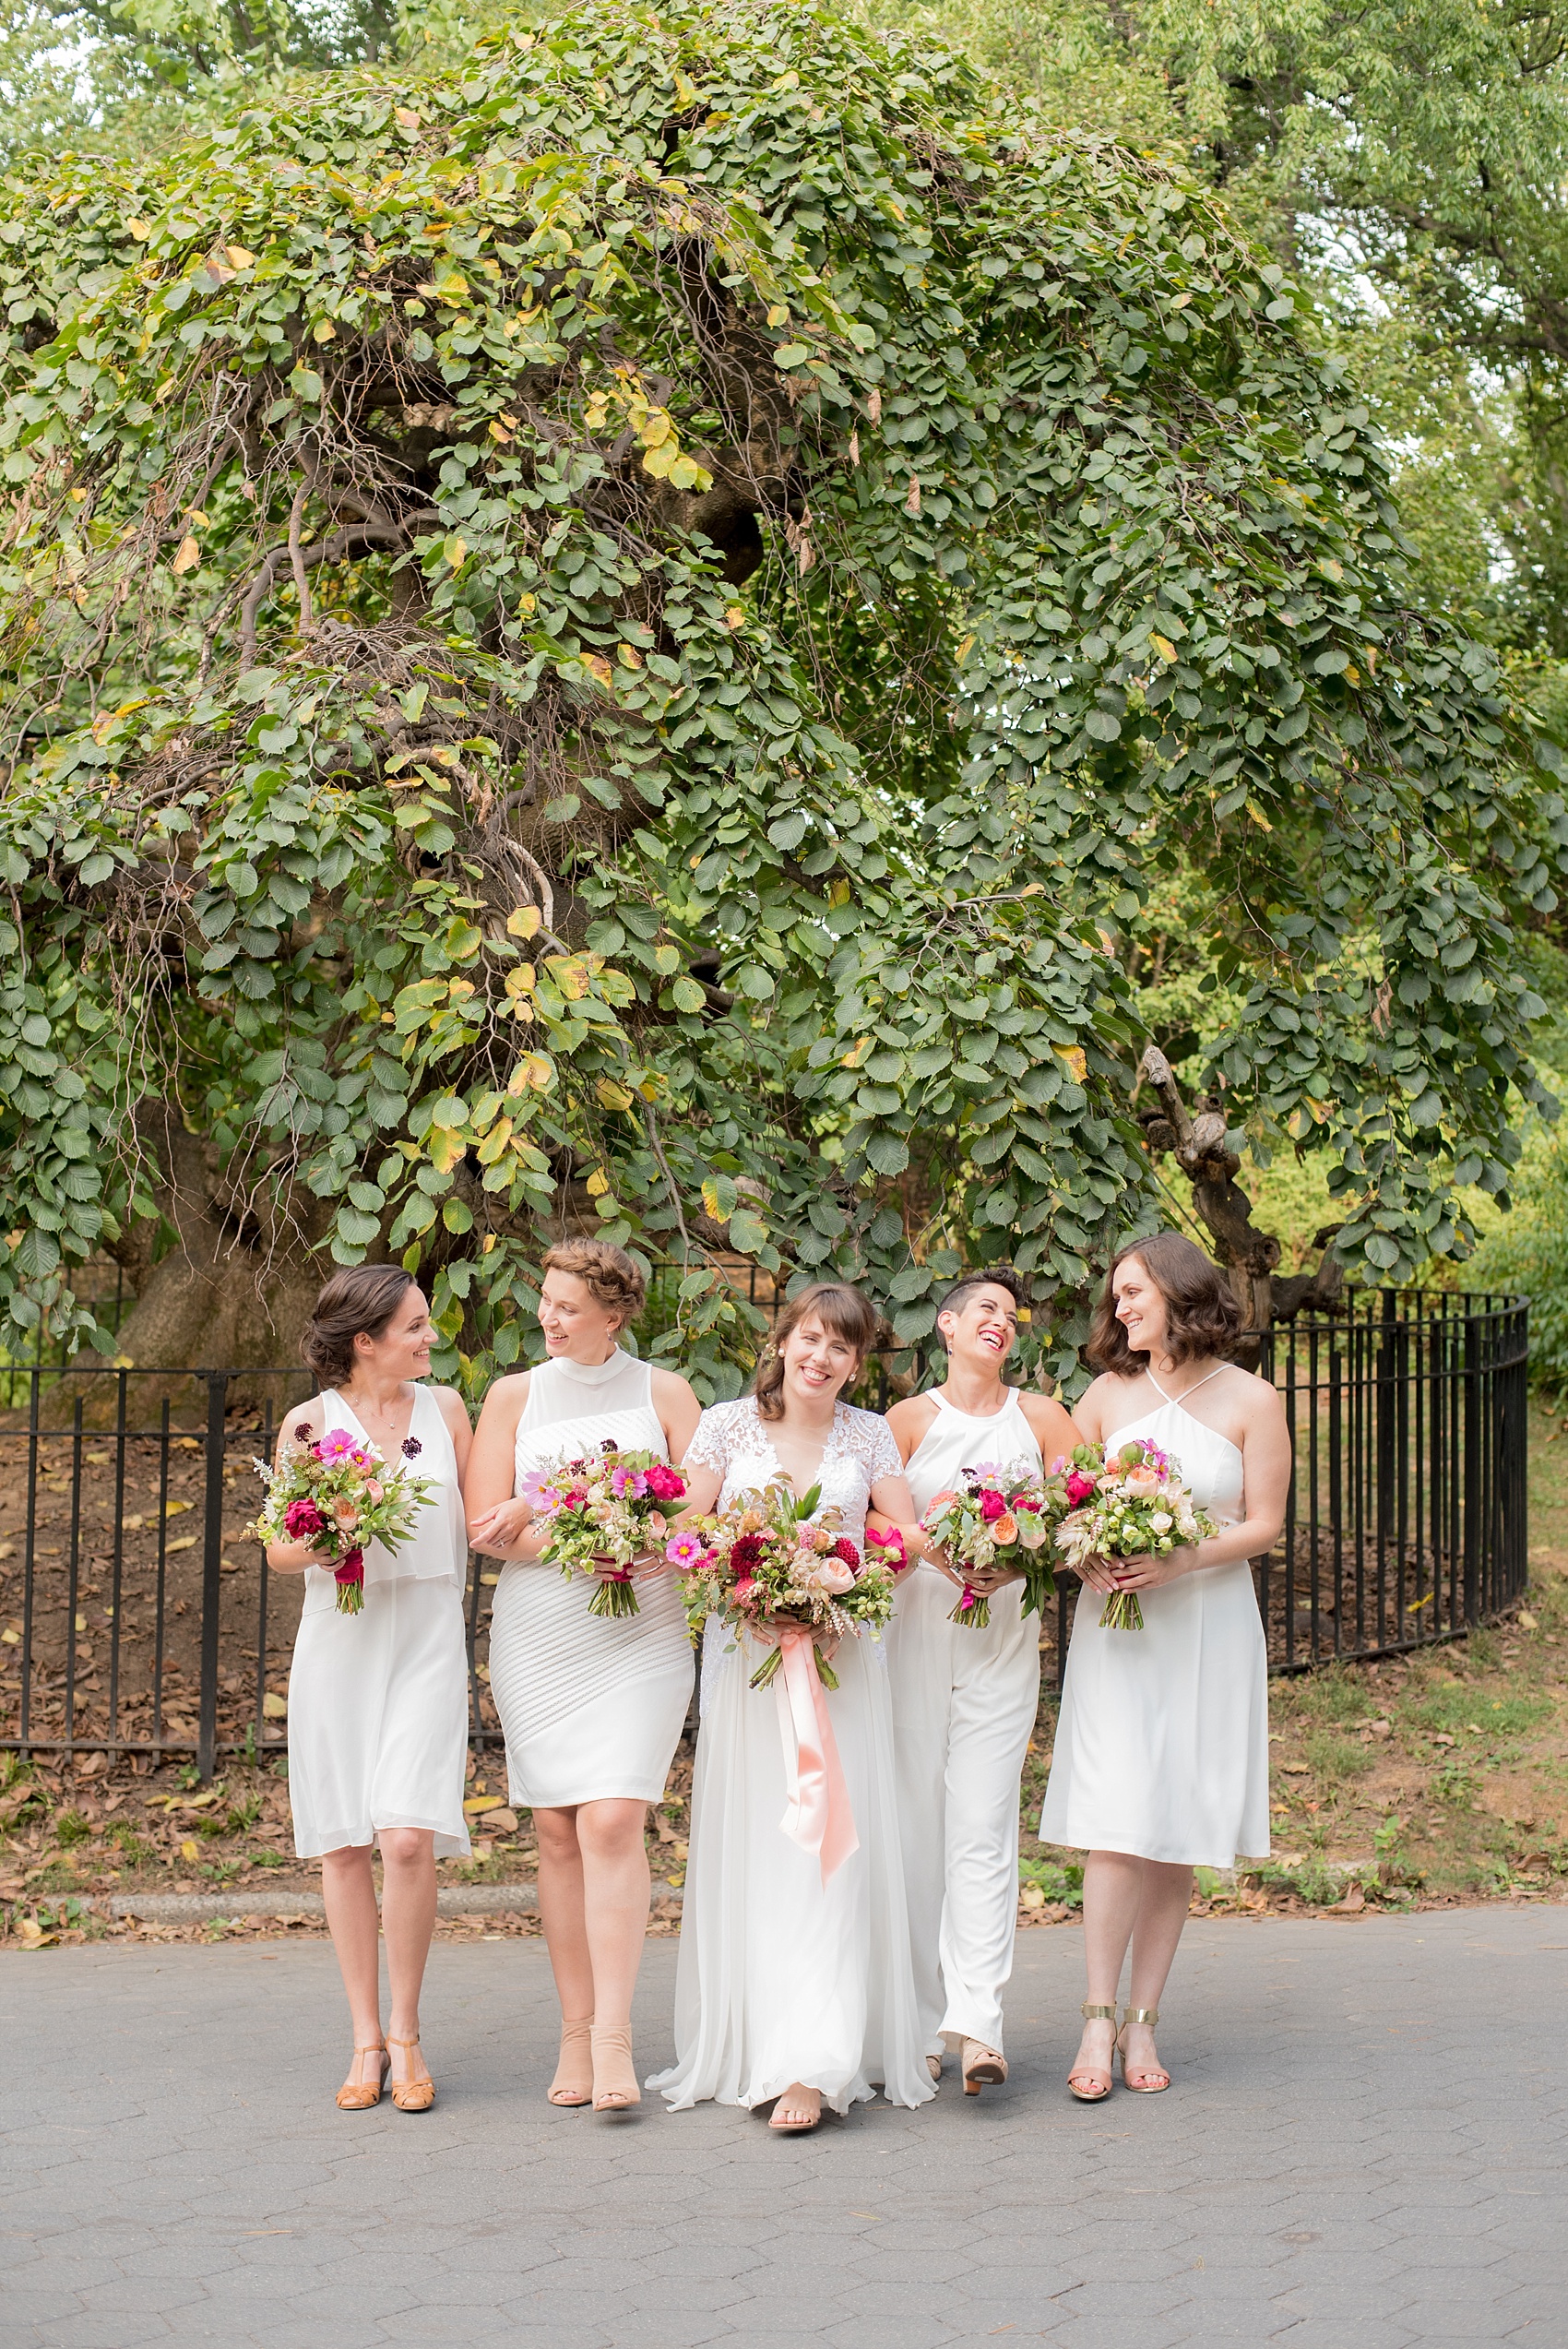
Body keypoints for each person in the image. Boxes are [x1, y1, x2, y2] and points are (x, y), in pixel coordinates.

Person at [649, 1281, 933, 2134]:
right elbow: (687, 1533)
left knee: (827, 1852)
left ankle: (815, 2060)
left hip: (842, 1662)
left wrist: (845, 1595)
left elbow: (905, 1540)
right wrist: (748, 1595)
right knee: (762, 1846)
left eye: (841, 1348)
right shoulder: (728, 1425)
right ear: (782, 1342)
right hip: (750, 1660)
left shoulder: (871, 1434)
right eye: (811, 1339)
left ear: (856, 1362)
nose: (822, 1359)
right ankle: (757, 2043)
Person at [1040, 1232, 1289, 2100]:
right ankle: (1095, 2019)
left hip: (1208, 1626)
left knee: (1175, 1825)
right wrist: (1088, 1555)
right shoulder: (1104, 1397)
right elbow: (1066, 1510)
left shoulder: (1252, 1400)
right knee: (1114, 1820)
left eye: (1134, 1292)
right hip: (1120, 1628)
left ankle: (1145, 2022)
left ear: (1181, 1293)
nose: (1120, 1308)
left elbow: (1264, 1524)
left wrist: (1184, 1557)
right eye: (1116, 1296)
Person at [464, 1240, 701, 2114]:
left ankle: (615, 2037)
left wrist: (597, 1520)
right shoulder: (514, 1395)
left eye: (567, 1305)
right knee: (558, 1830)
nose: (547, 1317)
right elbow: (486, 1525)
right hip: (542, 1633)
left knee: (611, 1821)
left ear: (615, 1312)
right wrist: (581, 1527)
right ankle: (573, 2029)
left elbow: (695, 1507)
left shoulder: (665, 1393)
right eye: (546, 1300)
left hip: (642, 1628)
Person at [265, 1265, 474, 2114]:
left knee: (408, 1838)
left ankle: (408, 2030)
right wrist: (330, 1534)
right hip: (341, 1644)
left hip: (425, 1638)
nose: (430, 1338)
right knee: (346, 1842)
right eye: (416, 1327)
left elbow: (484, 1512)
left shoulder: (449, 1411)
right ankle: (363, 2038)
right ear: (366, 1341)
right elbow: (278, 1550)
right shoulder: (309, 1425)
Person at [882, 1268, 1079, 2095]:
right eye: (983, 1310)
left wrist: (1018, 1557)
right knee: (919, 1827)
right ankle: (923, 2021)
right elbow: (872, 1518)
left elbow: (1078, 1514)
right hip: (914, 1645)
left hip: (1003, 1647)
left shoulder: (1043, 1418)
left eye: (1010, 1313)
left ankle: (980, 2024)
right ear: (948, 1326)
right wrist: (936, 1547)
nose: (999, 1321)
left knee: (985, 1826)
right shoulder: (904, 1421)